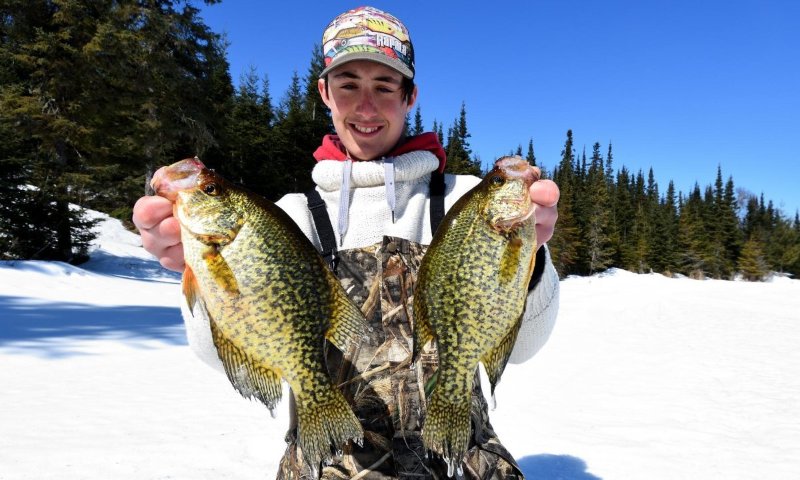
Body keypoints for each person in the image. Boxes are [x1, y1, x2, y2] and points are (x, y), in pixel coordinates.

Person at [133, 6, 560, 479]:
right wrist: (193, 273)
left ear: (410, 95)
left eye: (384, 86)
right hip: (330, 464)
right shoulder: (289, 217)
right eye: (349, 84)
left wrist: (533, 255)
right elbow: (222, 353)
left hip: (461, 460)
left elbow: (522, 347)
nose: (365, 106)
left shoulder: (462, 201)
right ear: (325, 93)